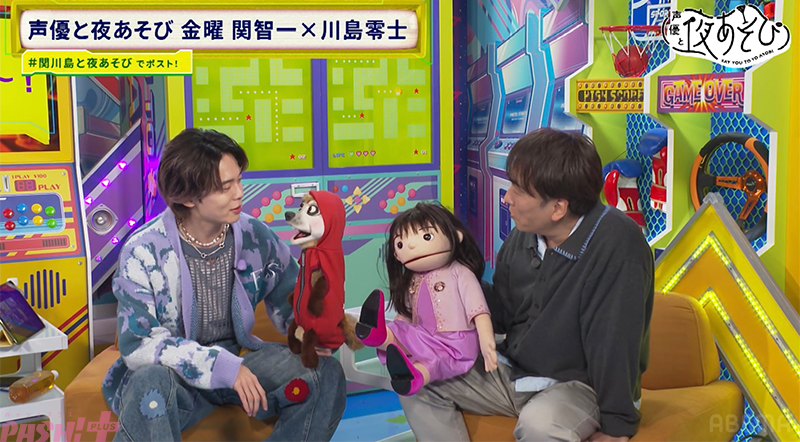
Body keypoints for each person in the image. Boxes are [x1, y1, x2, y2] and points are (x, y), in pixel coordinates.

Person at [398, 128, 655, 442]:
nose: (507, 198)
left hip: (581, 385)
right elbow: (504, 315)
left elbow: (614, 341)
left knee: (540, 426)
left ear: (558, 208)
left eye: (518, 190)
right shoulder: (525, 234)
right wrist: (456, 279)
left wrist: (617, 425)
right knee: (416, 378)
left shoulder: (618, 244)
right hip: (518, 372)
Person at [101, 128, 347, 441]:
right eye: (224, 187)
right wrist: (221, 367)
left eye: (239, 181)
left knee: (326, 374)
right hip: (176, 375)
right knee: (148, 383)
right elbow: (138, 345)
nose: (239, 193)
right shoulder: (143, 251)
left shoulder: (255, 235)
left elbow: (293, 298)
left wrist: (316, 331)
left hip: (242, 358)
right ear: (186, 197)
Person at [355, 203, 497, 396]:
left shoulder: (460, 273)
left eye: (426, 236)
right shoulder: (413, 279)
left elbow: (478, 311)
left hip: (455, 344)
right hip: (425, 337)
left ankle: (414, 377)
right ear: (396, 254)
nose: (411, 246)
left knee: (436, 361)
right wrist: (396, 329)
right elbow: (407, 314)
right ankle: (378, 335)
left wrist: (487, 341)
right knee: (399, 330)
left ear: (456, 237)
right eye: (400, 244)